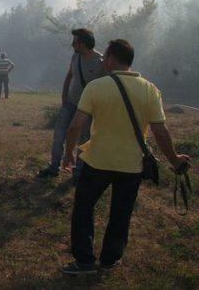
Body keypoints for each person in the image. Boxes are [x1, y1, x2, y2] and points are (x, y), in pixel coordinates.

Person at [60, 39, 191, 275]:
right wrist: (174, 159)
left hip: (97, 161)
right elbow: (160, 132)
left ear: (110, 58)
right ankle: (110, 260)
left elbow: (75, 127)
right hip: (131, 164)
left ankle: (85, 262)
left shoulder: (96, 87)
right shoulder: (150, 89)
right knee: (121, 213)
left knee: (84, 208)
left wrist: (69, 153)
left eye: (105, 58)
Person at [38, 28, 104, 180]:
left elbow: (104, 87)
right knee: (59, 135)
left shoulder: (101, 62)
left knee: (84, 139)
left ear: (82, 44)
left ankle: (78, 172)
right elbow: (69, 76)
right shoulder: (76, 56)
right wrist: (64, 97)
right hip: (70, 104)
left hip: (87, 109)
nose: (72, 44)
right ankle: (54, 167)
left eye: (74, 42)